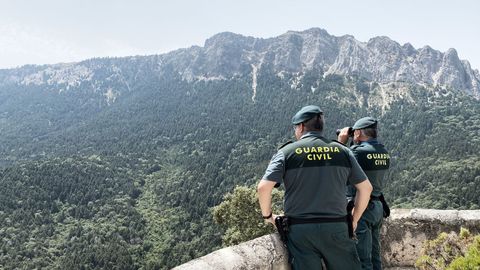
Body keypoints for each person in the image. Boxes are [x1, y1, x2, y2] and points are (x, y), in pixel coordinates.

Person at [257, 105, 373, 270]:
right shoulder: (343, 151)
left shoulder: (287, 152)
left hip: (300, 230)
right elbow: (366, 188)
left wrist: (268, 216)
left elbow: (263, 187)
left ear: (302, 127)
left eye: (296, 127)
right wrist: (354, 220)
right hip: (336, 226)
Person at [338, 117, 390, 270]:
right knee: (375, 255)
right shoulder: (383, 151)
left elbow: (336, 164)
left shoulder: (357, 152)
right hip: (378, 207)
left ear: (359, 132)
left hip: (361, 208)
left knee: (362, 258)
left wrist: (341, 141)